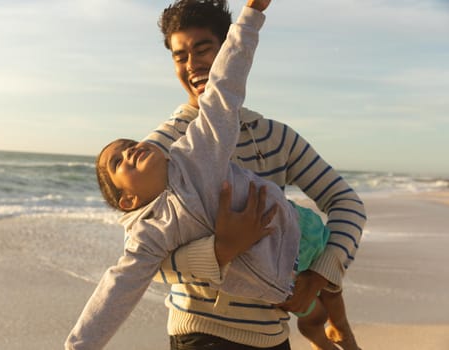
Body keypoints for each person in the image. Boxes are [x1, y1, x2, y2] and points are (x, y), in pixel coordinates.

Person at [65, 2, 310, 349]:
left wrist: (252, 13)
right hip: (210, 328)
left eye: (130, 143)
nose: (131, 149)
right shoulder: (148, 234)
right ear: (128, 200)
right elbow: (119, 287)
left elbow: (225, 88)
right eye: (118, 161)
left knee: (316, 241)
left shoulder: (196, 153)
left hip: (295, 243)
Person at [143, 0, 366, 349]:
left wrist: (319, 273)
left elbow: (346, 202)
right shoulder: (161, 150)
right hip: (201, 333)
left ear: (230, 50)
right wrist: (220, 250)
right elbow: (146, 258)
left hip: (274, 334)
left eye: (203, 50)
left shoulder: (275, 137)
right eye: (180, 56)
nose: (192, 64)